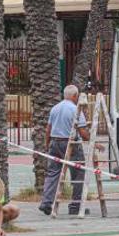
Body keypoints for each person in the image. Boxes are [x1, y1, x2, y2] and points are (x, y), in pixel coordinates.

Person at [38, 85, 89, 216]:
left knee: (53, 173)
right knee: (79, 174)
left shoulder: (55, 108)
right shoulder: (76, 110)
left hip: (55, 143)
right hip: (70, 144)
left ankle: (46, 203)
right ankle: (75, 206)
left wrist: (47, 144)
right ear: (74, 96)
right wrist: (93, 141)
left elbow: (48, 129)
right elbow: (82, 132)